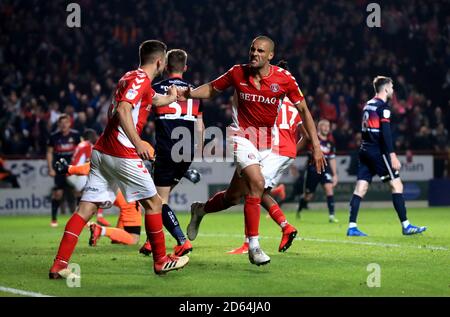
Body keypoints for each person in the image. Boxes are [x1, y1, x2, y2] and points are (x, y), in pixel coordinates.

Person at [49, 40, 189, 279]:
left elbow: (151, 100)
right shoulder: (140, 80)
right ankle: (161, 261)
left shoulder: (131, 77)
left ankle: (60, 264)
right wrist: (138, 143)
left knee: (85, 209)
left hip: (102, 151)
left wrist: (172, 98)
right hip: (121, 152)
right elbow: (123, 109)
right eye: (164, 60)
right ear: (159, 61)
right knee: (154, 204)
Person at [179, 36, 326, 266]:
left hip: (266, 143)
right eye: (252, 49)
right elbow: (212, 89)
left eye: (260, 51)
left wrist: (316, 147)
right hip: (242, 137)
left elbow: (304, 110)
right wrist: (190, 94)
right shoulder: (238, 73)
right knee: (257, 184)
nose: (254, 53)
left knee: (233, 197)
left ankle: (200, 210)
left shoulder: (284, 79)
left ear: (270, 56)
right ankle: (254, 246)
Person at [227, 89, 309, 255]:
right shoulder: (293, 106)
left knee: (252, 192)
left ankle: (250, 242)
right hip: (286, 153)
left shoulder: (269, 102)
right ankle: (285, 227)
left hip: (273, 151)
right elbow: (306, 137)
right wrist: (291, 151)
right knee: (259, 193)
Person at [139, 49, 204, 257]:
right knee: (162, 197)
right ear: (185, 68)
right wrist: (199, 150)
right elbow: (201, 126)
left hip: (166, 150)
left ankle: (181, 241)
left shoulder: (156, 88)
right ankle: (151, 241)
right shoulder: (195, 91)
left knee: (158, 201)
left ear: (166, 67)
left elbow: (141, 115)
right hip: (186, 152)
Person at [347, 76, 427, 236]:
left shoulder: (367, 105)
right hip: (377, 151)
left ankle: (352, 226)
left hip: (364, 150)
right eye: (391, 87)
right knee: (397, 186)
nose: (393, 90)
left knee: (360, 188)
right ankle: (406, 226)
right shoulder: (383, 107)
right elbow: (386, 133)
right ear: (385, 89)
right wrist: (392, 155)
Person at [65, 128, 110, 227]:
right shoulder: (89, 145)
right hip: (77, 174)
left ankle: (78, 217)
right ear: (91, 137)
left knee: (82, 195)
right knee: (99, 188)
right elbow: (91, 161)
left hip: (71, 172)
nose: (97, 138)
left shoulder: (80, 145)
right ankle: (99, 217)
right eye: (95, 136)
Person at [297, 119, 339, 223]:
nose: (326, 128)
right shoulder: (313, 139)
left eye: (328, 126)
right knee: (308, 195)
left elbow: (332, 159)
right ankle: (301, 208)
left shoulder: (330, 143)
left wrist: (335, 175)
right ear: (319, 127)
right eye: (324, 126)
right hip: (312, 169)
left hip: (325, 168)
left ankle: (332, 216)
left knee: (329, 188)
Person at [46, 114, 80, 227]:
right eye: (62, 123)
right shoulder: (54, 136)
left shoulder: (75, 135)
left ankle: (81, 219)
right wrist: (50, 168)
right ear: (59, 124)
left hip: (73, 168)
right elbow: (49, 152)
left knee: (78, 191)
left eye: (66, 122)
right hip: (59, 169)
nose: (64, 124)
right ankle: (54, 219)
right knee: (58, 194)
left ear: (70, 123)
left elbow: (81, 150)